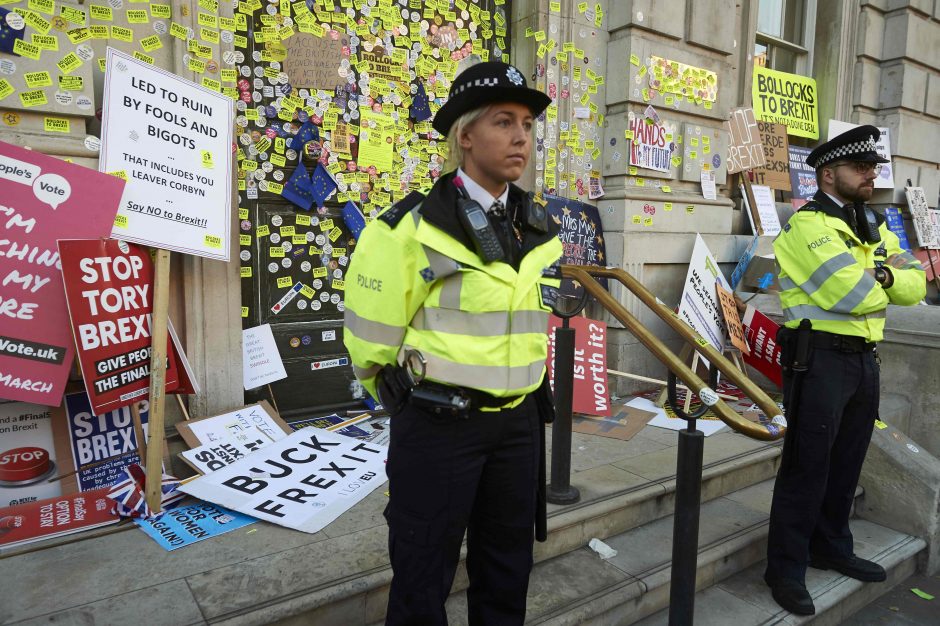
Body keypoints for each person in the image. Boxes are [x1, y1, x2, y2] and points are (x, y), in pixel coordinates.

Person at [343, 60, 560, 625]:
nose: (520, 137)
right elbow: (369, 343)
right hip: (440, 427)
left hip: (517, 428)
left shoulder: (533, 226)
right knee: (421, 580)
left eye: (528, 125)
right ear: (465, 136)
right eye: (503, 122)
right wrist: (411, 401)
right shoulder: (409, 228)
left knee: (507, 574)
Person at [765, 125, 925, 615]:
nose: (870, 175)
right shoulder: (808, 226)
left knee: (847, 462)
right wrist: (889, 274)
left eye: (873, 167)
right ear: (828, 174)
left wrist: (884, 272)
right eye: (861, 168)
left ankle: (831, 546)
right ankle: (785, 569)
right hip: (819, 362)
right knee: (806, 467)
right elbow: (850, 294)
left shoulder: (866, 224)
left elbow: (915, 287)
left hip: (862, 360)